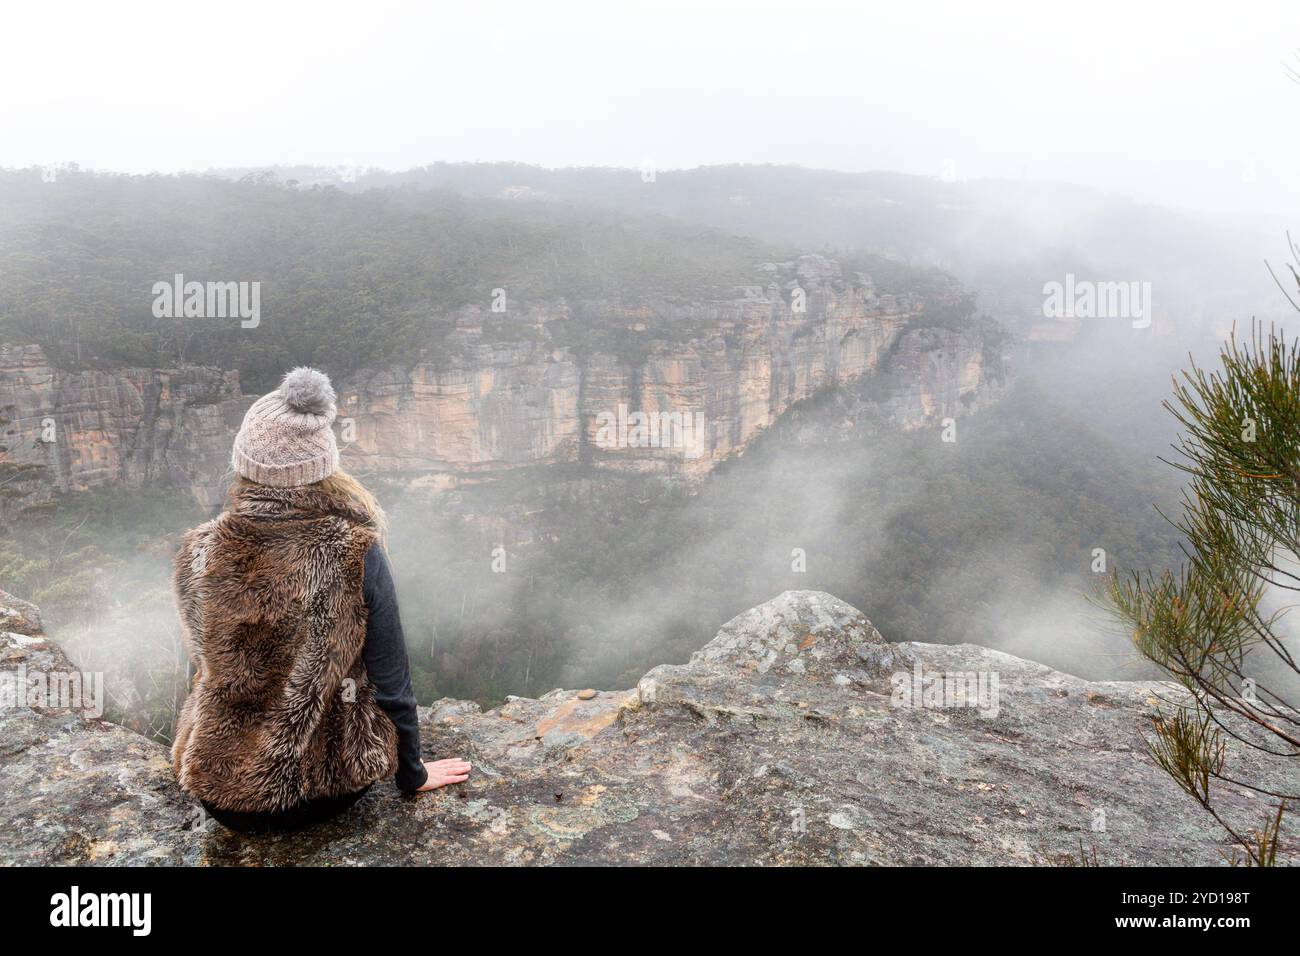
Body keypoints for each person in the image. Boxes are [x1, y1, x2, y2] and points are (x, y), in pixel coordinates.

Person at [170, 366, 470, 833]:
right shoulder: (355, 550)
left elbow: (206, 662)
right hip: (317, 792)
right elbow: (392, 683)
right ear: (323, 466)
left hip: (217, 792)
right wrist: (413, 774)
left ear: (244, 463)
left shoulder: (197, 548)